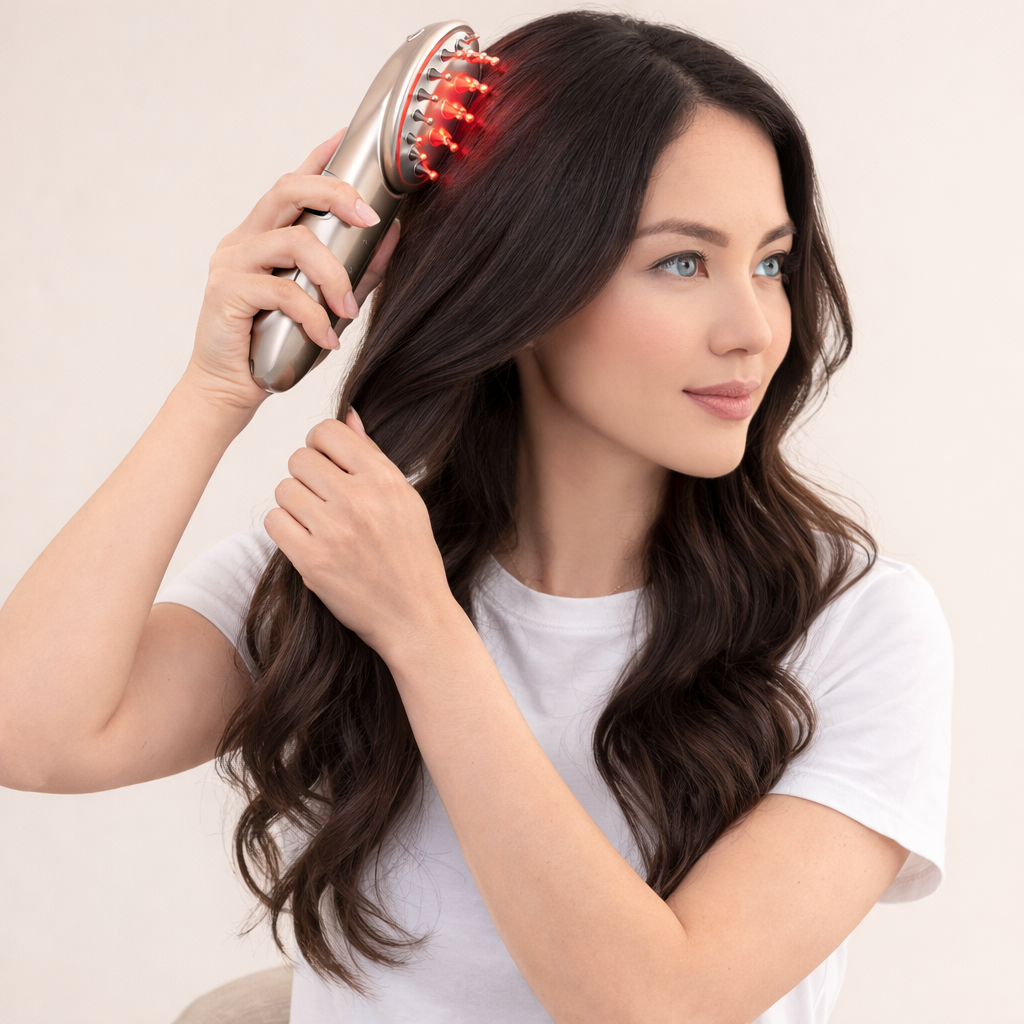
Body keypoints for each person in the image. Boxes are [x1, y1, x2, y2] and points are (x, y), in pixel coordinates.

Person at [0, 11, 952, 1024]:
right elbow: (36, 732)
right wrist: (213, 392)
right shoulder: (350, 566)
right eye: (682, 262)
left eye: (768, 262)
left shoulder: (854, 627)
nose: (753, 328)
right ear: (525, 278)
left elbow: (658, 1003)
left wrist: (423, 631)